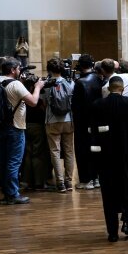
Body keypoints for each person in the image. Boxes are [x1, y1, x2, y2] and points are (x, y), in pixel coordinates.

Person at [91, 76, 128, 242]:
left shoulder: (97, 105)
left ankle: (112, 232)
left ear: (109, 88)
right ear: (122, 88)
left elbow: (94, 131)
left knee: (109, 192)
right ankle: (127, 221)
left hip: (106, 155)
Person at [0, 58, 44, 205]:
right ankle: (12, 194)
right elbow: (33, 102)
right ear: (12, 70)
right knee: (14, 161)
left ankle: (4, 189)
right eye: (18, 68)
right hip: (15, 126)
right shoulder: (15, 84)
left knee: (2, 159)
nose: (19, 70)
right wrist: (38, 87)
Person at [42, 58, 76, 193]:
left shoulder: (47, 85)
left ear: (49, 69)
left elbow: (44, 104)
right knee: (69, 151)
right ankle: (69, 182)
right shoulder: (70, 83)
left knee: (55, 151)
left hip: (52, 121)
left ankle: (60, 183)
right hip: (68, 120)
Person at [72, 54, 104, 190]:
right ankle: (96, 178)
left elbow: (75, 105)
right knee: (95, 149)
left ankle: (86, 179)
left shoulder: (79, 83)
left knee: (82, 150)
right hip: (97, 120)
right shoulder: (99, 79)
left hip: (82, 122)